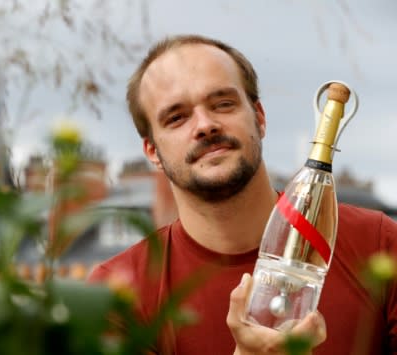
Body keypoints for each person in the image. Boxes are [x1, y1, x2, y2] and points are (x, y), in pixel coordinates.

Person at [88, 34, 397, 354]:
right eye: (177, 117)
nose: (205, 125)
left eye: (223, 103)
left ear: (259, 118)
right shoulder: (117, 293)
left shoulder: (379, 244)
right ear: (152, 151)